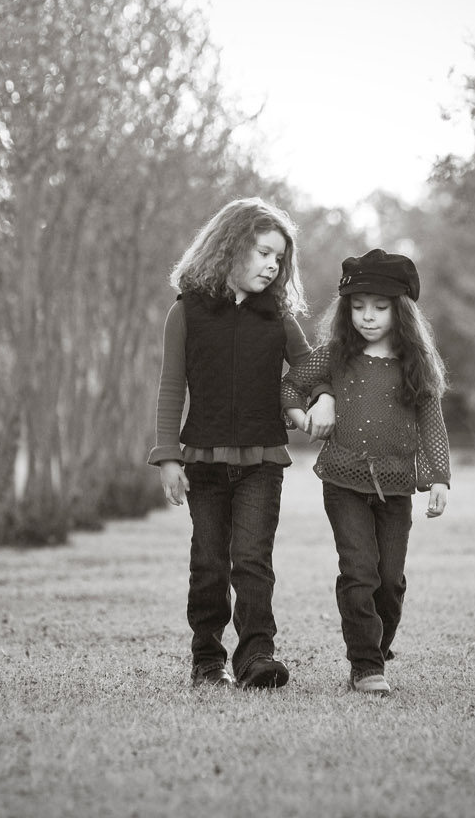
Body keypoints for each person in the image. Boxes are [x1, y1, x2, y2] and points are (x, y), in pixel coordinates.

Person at [148, 197, 334, 689]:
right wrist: (168, 456)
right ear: (230, 247)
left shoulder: (278, 318)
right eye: (264, 253)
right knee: (209, 562)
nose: (274, 265)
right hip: (203, 462)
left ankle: (256, 657)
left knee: (252, 561)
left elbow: (312, 369)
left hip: (262, 462)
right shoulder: (186, 313)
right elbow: (171, 387)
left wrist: (322, 399)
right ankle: (207, 659)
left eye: (280, 258)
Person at [283, 248, 450, 696]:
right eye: (357, 307)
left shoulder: (416, 364)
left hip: (396, 487)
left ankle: (376, 646)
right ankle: (366, 663)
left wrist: (438, 477)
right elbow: (290, 385)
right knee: (359, 572)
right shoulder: (336, 355)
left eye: (379, 307)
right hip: (343, 480)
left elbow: (432, 423)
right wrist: (305, 418)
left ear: (402, 311)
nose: (367, 317)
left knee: (390, 581)